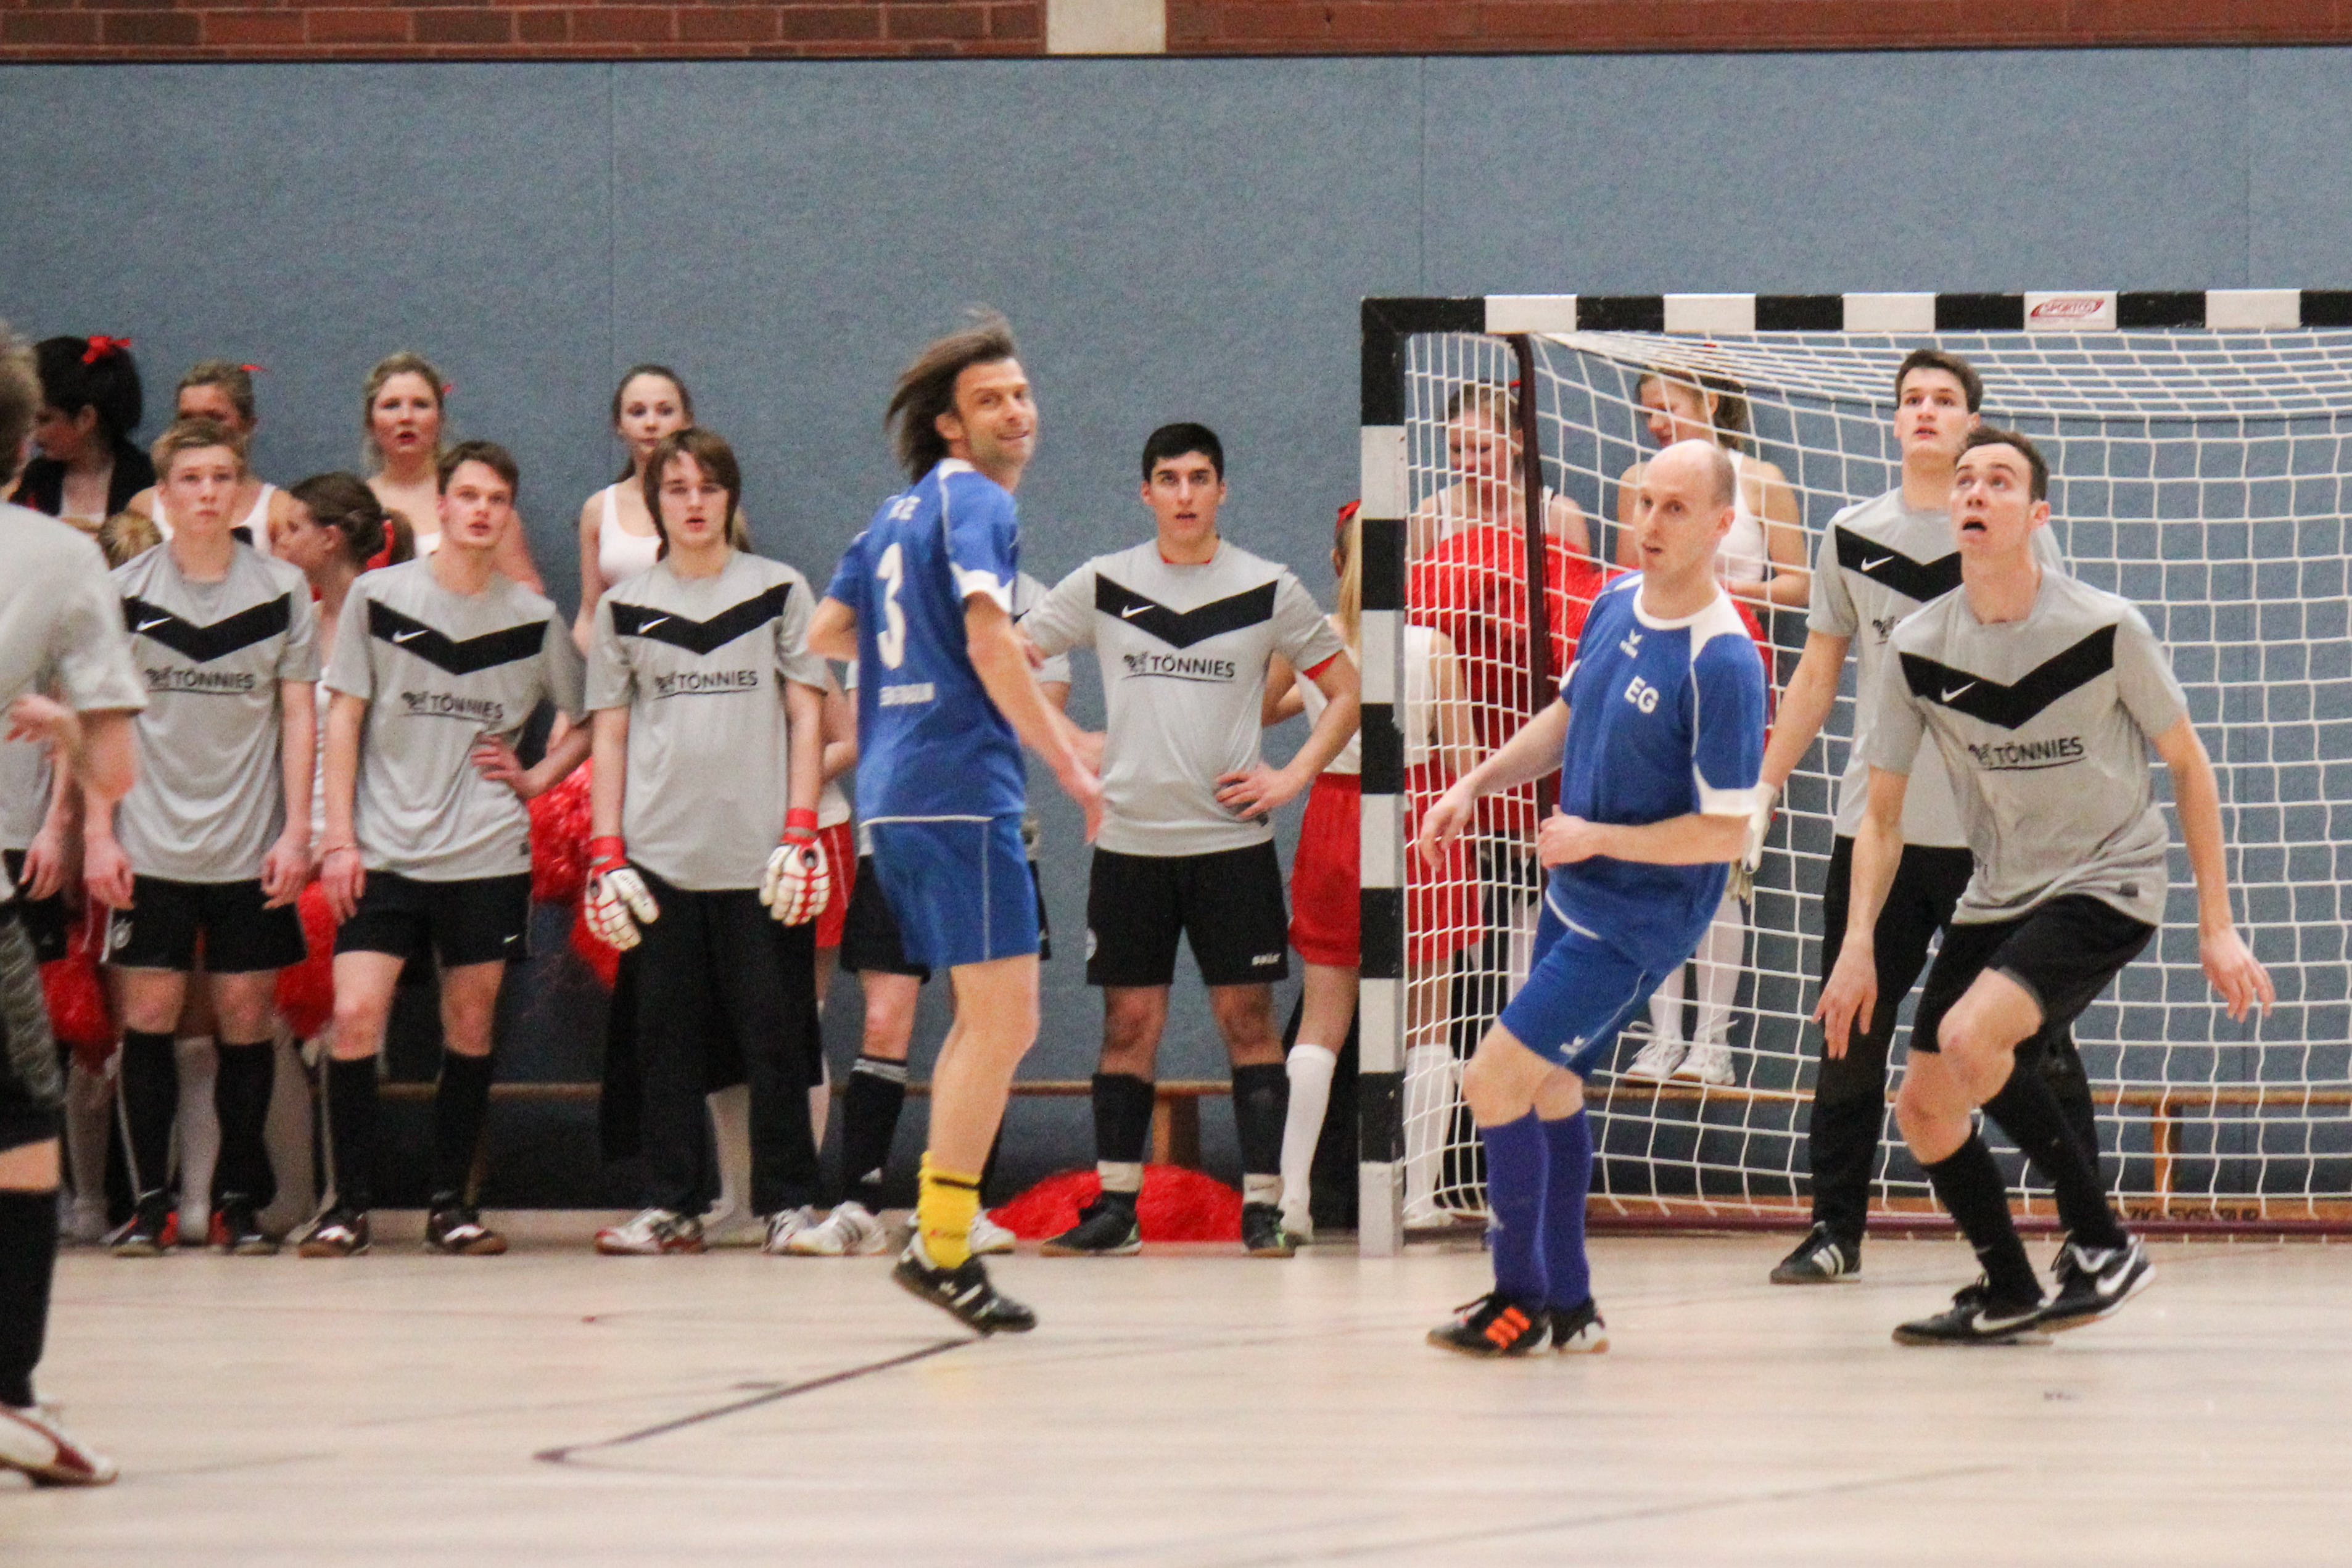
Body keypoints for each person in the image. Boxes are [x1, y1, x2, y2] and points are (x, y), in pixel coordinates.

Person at [1818, 426, 2272, 1344]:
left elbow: (2189, 764)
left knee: (1969, 1035)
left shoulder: (2105, 626)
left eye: (1999, 481)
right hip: (2001, 889)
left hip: (2108, 879)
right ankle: (2010, 1286)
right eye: (1966, 480)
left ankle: (2104, 1243)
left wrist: (2217, 923)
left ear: (2036, 515)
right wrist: (1859, 941)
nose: (1976, 493)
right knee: (1925, 1107)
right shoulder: (1919, 645)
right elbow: (1882, 813)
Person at [1416, 439, 1767, 1357]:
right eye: (1645, 501)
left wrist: (1599, 838)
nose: (1650, 522)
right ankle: (1572, 1307)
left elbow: (1724, 832)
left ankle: (1519, 1299)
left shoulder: (1725, 661)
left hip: (1636, 920)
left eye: (1675, 508)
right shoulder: (1613, 599)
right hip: (1575, 890)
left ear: (1721, 524)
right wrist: (1474, 783)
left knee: (1492, 1078)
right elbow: (1567, 717)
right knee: (1550, 1083)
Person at [1756, 349, 2098, 1286]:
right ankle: (1834, 1229)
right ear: (1895, 418)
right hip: (1882, 832)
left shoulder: (2012, 537)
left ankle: (2088, 1228)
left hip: (1999, 843)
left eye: (1945, 400)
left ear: (1972, 424)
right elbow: (1818, 673)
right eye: (1911, 398)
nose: (1925, 412)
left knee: (2034, 1037)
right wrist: (1763, 785)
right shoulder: (1850, 533)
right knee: (1850, 1027)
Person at [806, 310, 1102, 1334]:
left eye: (1019, 393)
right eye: (989, 400)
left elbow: (827, 629)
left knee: (990, 1016)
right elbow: (986, 642)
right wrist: (1068, 760)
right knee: (1004, 1018)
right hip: (958, 785)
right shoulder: (975, 500)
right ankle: (939, 1241)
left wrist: (914, 665)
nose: (1015, 412)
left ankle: (940, 1237)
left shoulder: (894, 514)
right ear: (948, 424)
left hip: (896, 789)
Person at [1020, 423, 1359, 1259]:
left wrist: (1293, 775)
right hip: (1130, 846)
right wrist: (1067, 742)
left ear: (1221, 490)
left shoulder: (1268, 587)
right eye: (1168, 479)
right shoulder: (1103, 582)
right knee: (1127, 1024)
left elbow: (1349, 691)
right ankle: (1115, 1209)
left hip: (1231, 847)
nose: (1183, 494)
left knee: (1247, 1020)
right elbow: (1012, 656)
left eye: (1199, 478)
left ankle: (1264, 1207)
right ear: (1146, 493)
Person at [304, 440, 588, 1259]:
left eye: (496, 500)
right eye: (468, 495)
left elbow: (593, 716)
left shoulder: (532, 618)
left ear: (508, 514)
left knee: (470, 1022)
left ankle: (450, 1206)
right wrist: (338, 837)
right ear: (443, 505)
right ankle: (347, 1208)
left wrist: (536, 778)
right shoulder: (378, 597)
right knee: (354, 1015)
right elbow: (343, 717)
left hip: (486, 854)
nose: (481, 511)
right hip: (382, 852)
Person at [580, 428, 831, 1256]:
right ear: (656, 502)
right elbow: (610, 734)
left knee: (777, 1034)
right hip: (657, 859)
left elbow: (807, 716)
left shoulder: (779, 590)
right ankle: (673, 1205)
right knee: (665, 1041)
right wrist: (606, 851)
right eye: (677, 488)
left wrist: (800, 830)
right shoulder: (624, 606)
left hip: (763, 858)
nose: (694, 502)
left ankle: (788, 1204)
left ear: (731, 497)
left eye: (708, 487)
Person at [85, 420, 318, 1258]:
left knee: (245, 1017)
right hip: (148, 846)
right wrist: (99, 833)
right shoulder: (124, 591)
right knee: (147, 1017)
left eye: (222, 477)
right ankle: (148, 1207)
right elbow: (101, 717)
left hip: (250, 847)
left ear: (240, 488)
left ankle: (237, 1204)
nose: (208, 493)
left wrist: (297, 831)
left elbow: (299, 714)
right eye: (191, 478)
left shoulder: (283, 589)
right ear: (163, 493)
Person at [787, 573, 1069, 1259]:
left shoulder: (1032, 601)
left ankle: (958, 1207)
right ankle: (857, 1205)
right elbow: (872, 720)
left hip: (988, 838)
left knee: (987, 1023)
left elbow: (1037, 714)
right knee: (884, 1020)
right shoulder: (892, 592)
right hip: (900, 837)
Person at [0, 323, 146, 1485]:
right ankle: (7, 1391)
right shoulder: (57, 556)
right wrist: (60, 726)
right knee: (20, 1129)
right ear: (21, 446)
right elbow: (118, 770)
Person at [1269, 501, 1479, 1239]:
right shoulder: (1433, 647)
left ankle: (1292, 1198)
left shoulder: (1313, 644)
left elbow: (1261, 708)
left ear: (1337, 562)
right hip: (1418, 820)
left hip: (1334, 819)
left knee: (1321, 1022)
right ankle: (1418, 1196)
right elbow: (1463, 764)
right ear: (1408, 565)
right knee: (1430, 1022)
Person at [1613, 366, 1808, 610]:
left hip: (1734, 629)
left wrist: (1724, 592)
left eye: (1666, 410)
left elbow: (1799, 586)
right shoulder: (1638, 481)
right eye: (1648, 414)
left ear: (1710, 403)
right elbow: (1625, 580)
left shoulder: (1760, 480)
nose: (1654, 424)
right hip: (1656, 628)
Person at [574, 366, 732, 653]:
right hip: (622, 663)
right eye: (637, 412)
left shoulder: (709, 502)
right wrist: (584, 672)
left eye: (665, 411)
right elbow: (590, 613)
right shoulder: (599, 509)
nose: (651, 423)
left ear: (687, 421)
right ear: (618, 424)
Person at [361, 353, 541, 591]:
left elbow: (526, 591)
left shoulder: (482, 497)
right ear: (371, 422)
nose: (406, 417)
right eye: (391, 405)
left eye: (421, 405)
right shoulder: (355, 505)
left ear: (441, 419)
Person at [1407, 382, 1590, 562]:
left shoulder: (1560, 516)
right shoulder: (1432, 515)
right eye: (1457, 450)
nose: (1467, 463)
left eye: (1482, 449)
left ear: (1517, 441)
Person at [124, 362, 297, 551]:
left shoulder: (279, 511)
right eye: (187, 419)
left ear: (249, 425)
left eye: (214, 418)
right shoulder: (146, 506)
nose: (199, 428)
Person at [11, 336, 151, 530]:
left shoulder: (146, 479)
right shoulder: (35, 479)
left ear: (86, 418)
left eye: (45, 420)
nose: (34, 433)